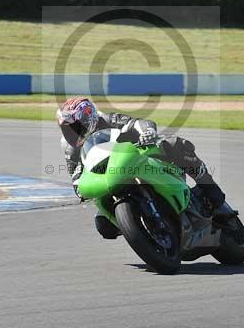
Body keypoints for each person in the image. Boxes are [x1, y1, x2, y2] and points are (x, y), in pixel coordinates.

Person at [56, 96, 226, 239]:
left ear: (89, 118)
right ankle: (139, 227)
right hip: (110, 175)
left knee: (175, 144)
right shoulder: (70, 147)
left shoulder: (108, 120)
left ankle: (209, 187)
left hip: (139, 156)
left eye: (75, 127)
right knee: (103, 225)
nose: (71, 133)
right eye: (66, 130)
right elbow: (76, 172)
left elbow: (138, 123)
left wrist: (147, 132)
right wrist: (79, 187)